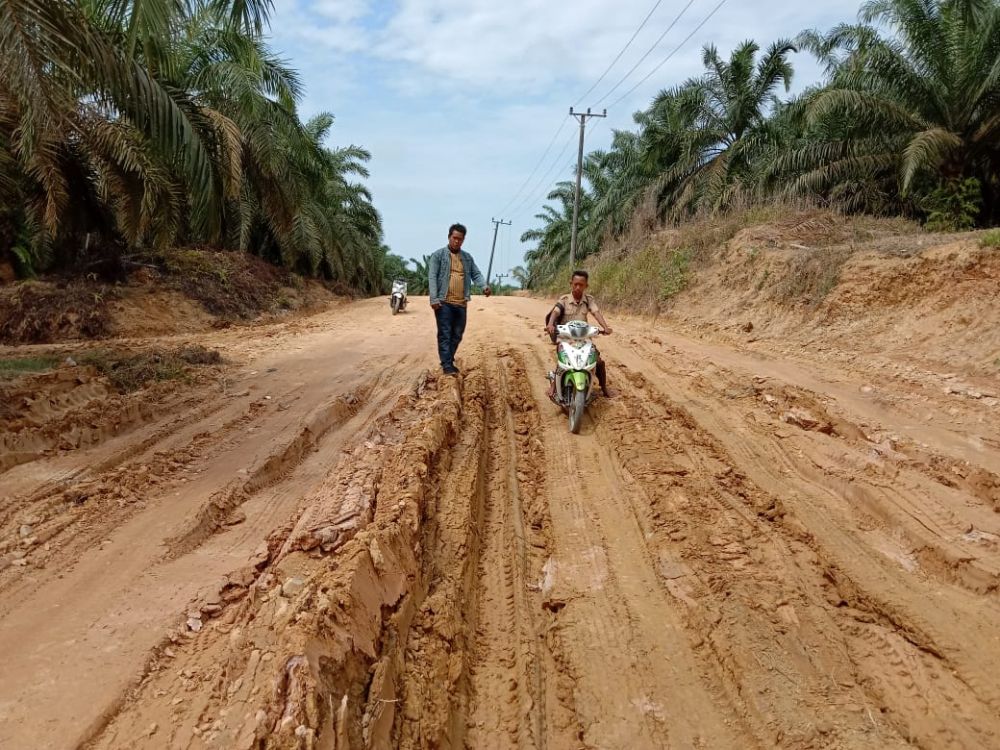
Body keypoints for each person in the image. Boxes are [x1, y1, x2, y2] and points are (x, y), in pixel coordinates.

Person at [428, 223, 491, 375]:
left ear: (463, 240)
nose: (457, 241)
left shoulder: (467, 258)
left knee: (457, 334)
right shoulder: (438, 255)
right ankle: (447, 365)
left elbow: (476, 274)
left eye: (460, 239)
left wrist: (484, 286)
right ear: (449, 237)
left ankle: (447, 359)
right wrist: (434, 299)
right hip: (444, 303)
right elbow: (432, 277)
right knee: (445, 333)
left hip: (461, 303)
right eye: (454, 238)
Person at [545, 270, 613, 398]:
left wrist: (605, 327)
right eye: (575, 284)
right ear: (571, 283)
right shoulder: (564, 299)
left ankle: (604, 388)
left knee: (598, 362)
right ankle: (554, 384)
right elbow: (556, 312)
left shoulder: (588, 300)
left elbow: (596, 313)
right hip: (566, 337)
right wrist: (550, 324)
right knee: (563, 358)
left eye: (581, 285)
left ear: (586, 286)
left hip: (584, 337)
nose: (578, 287)